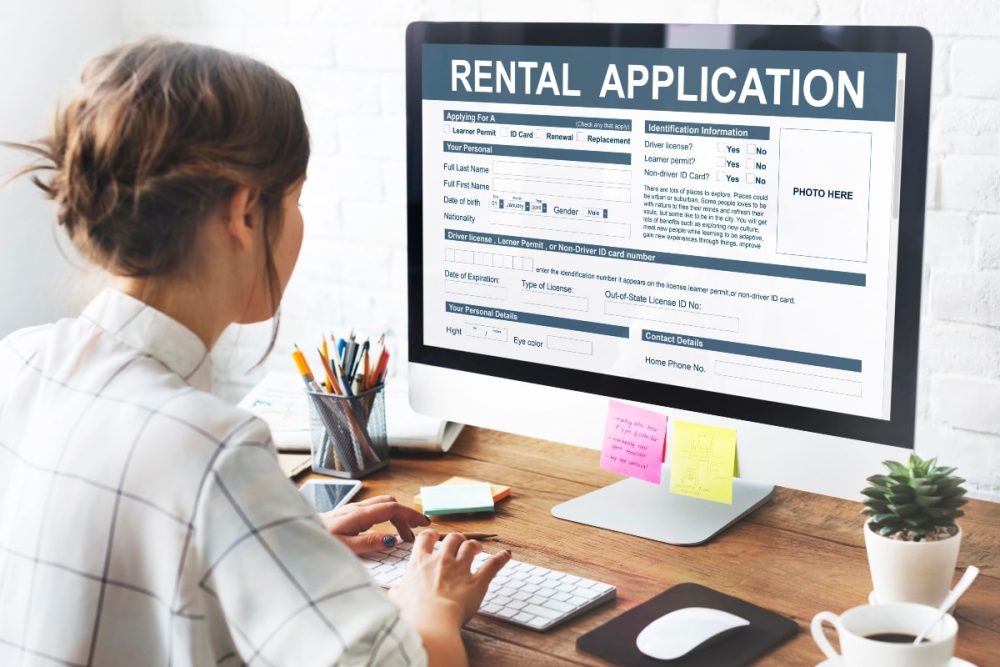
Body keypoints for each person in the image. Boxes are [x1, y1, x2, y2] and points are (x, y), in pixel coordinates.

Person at [0, 38, 510, 666]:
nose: (297, 224)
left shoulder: (17, 364)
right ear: (244, 212)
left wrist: (280, 541)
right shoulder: (209, 447)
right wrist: (433, 603)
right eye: (294, 200)